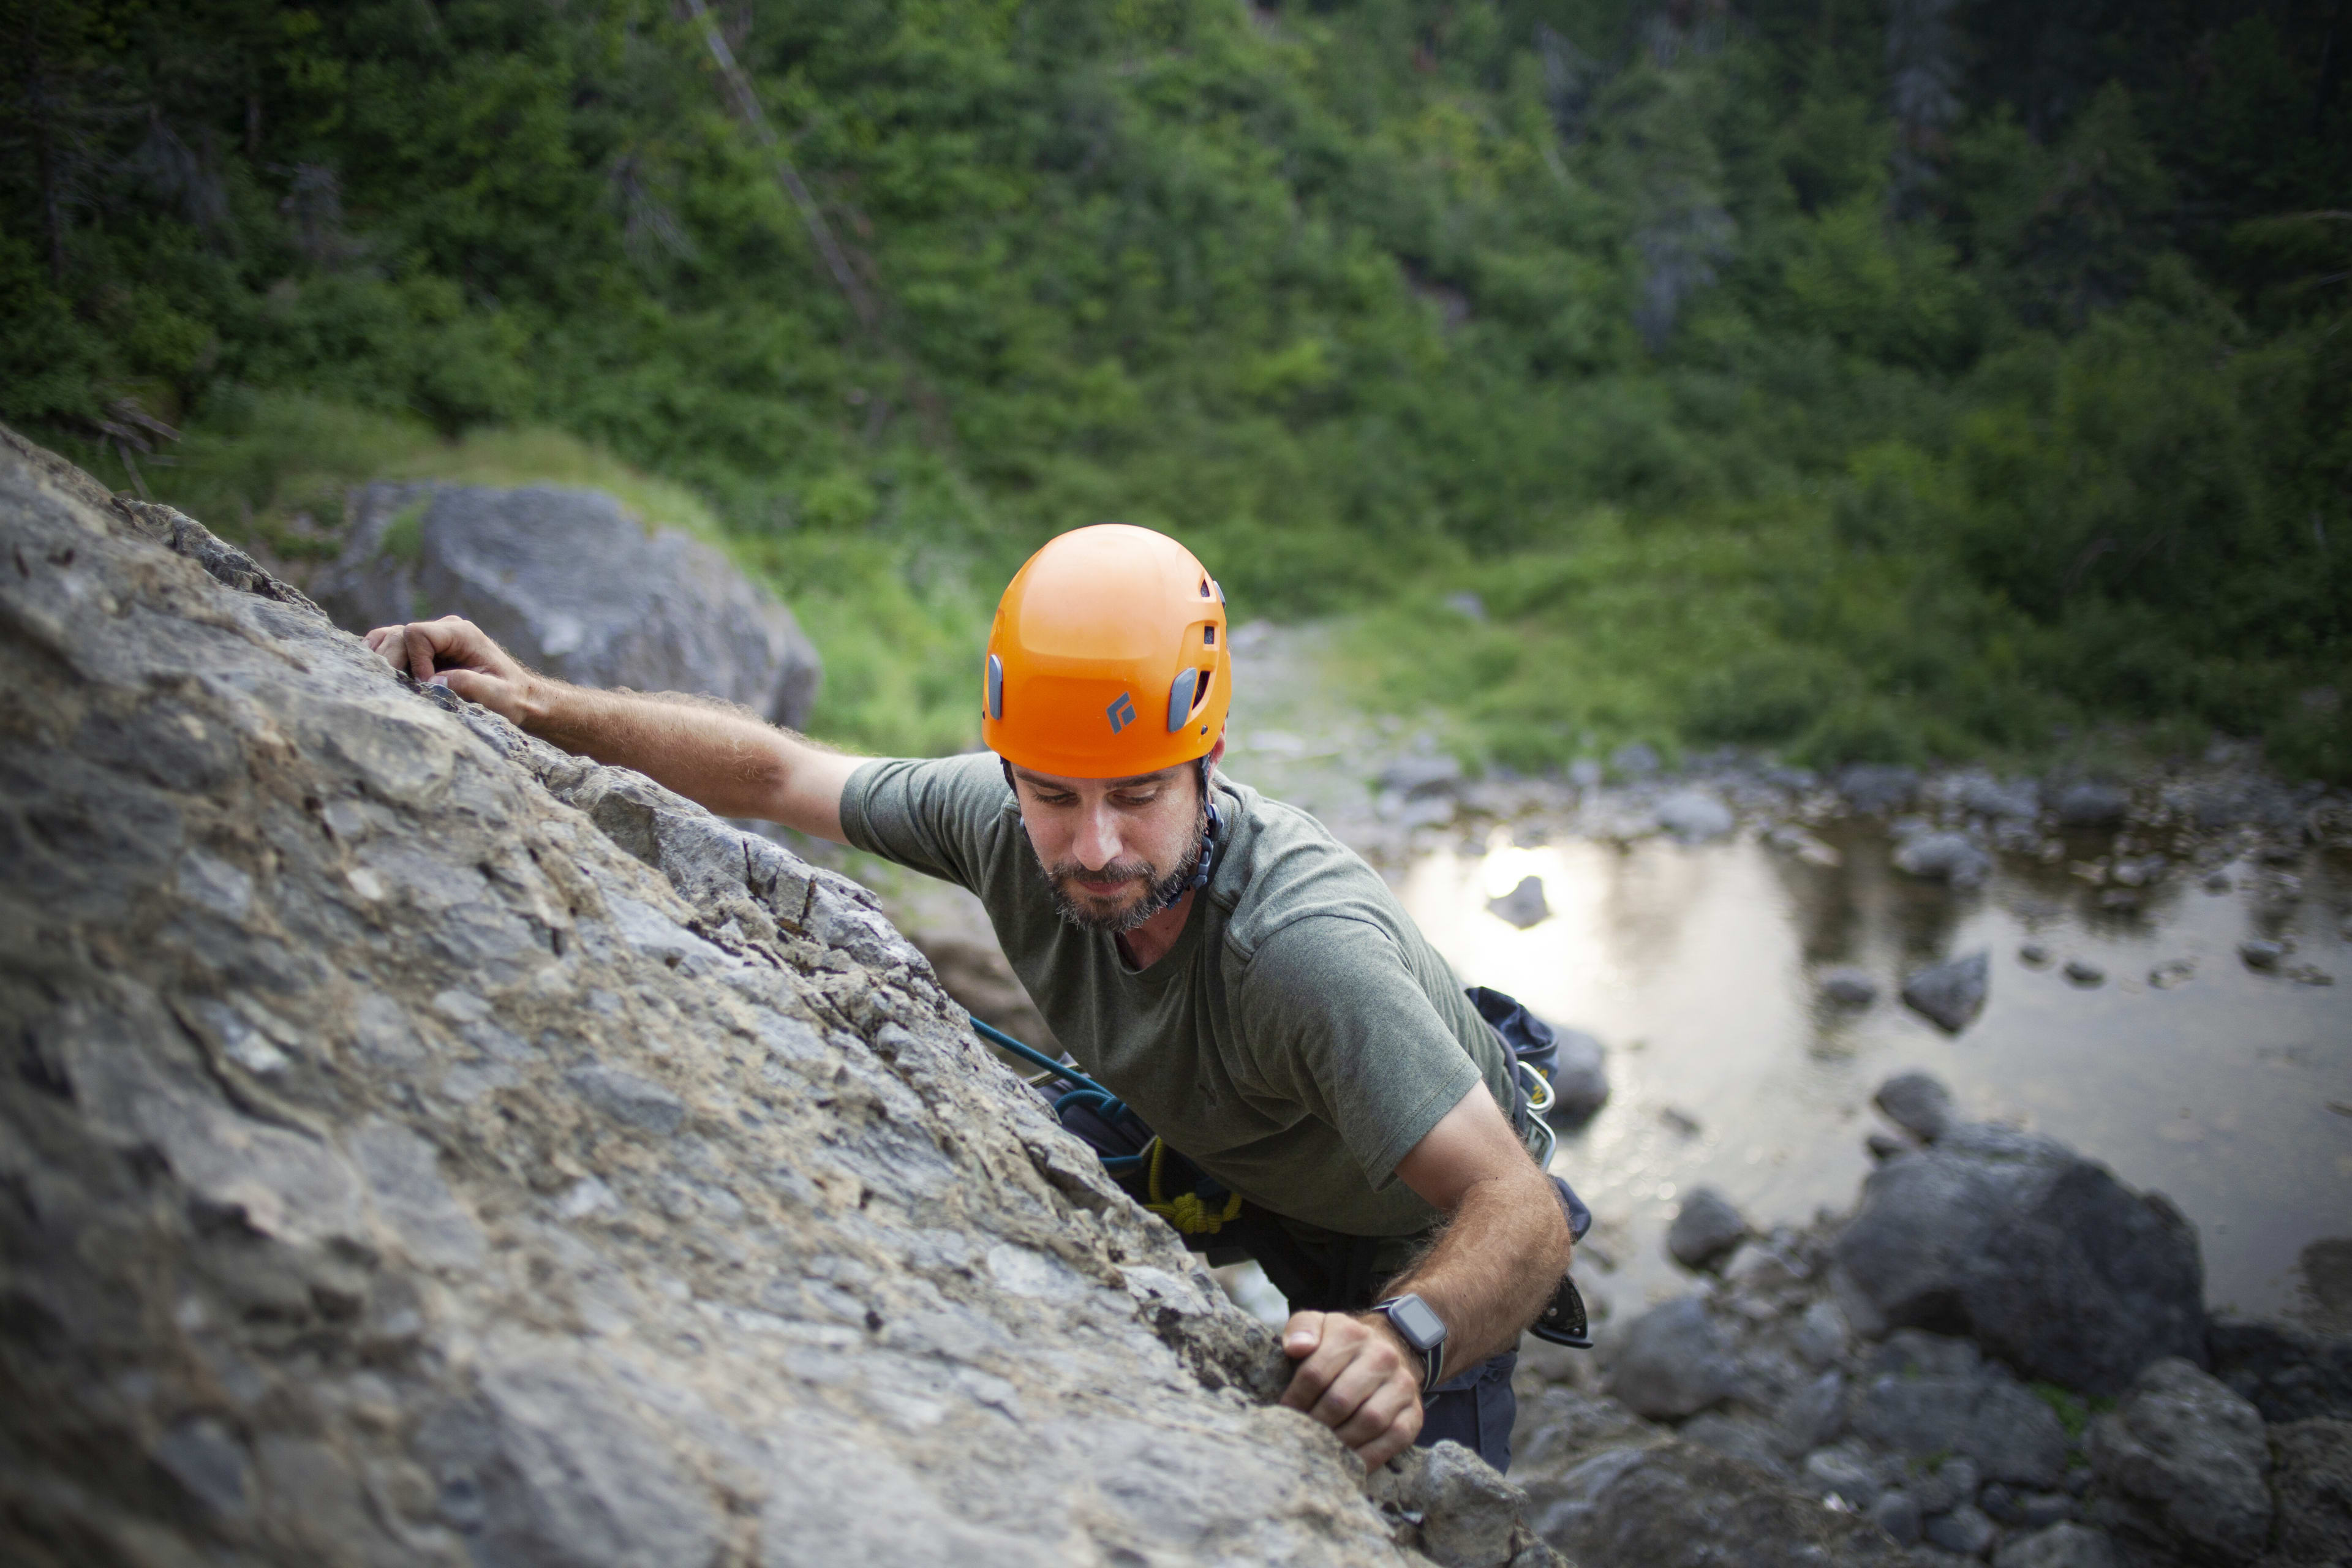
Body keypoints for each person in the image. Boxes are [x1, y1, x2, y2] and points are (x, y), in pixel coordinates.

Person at [366, 522, 1575, 1472]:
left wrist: (1403, 1337)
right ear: (1009, 769)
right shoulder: (996, 820)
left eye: (1138, 795)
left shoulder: (1305, 953)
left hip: (1406, 1226)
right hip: (1222, 1133)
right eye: (1054, 796)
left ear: (1208, 760)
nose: (1095, 845)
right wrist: (535, 702)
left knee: (1424, 1509)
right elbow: (776, 766)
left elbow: (1520, 1209)